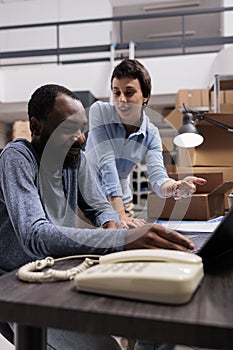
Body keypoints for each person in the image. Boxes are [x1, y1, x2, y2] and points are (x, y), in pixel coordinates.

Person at [0, 83, 195, 350]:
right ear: (36, 127)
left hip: (59, 271)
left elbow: (99, 205)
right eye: (69, 129)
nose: (81, 139)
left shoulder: (73, 159)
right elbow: (35, 235)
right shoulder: (18, 158)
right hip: (17, 285)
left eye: (82, 129)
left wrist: (109, 221)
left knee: (158, 321)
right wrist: (120, 238)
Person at [85, 59, 207, 228]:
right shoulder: (99, 112)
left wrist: (175, 187)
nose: (121, 100)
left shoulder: (151, 134)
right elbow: (106, 163)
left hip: (123, 203)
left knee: (125, 249)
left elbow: (158, 178)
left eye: (129, 92)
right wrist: (118, 214)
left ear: (145, 96)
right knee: (86, 251)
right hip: (88, 201)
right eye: (116, 93)